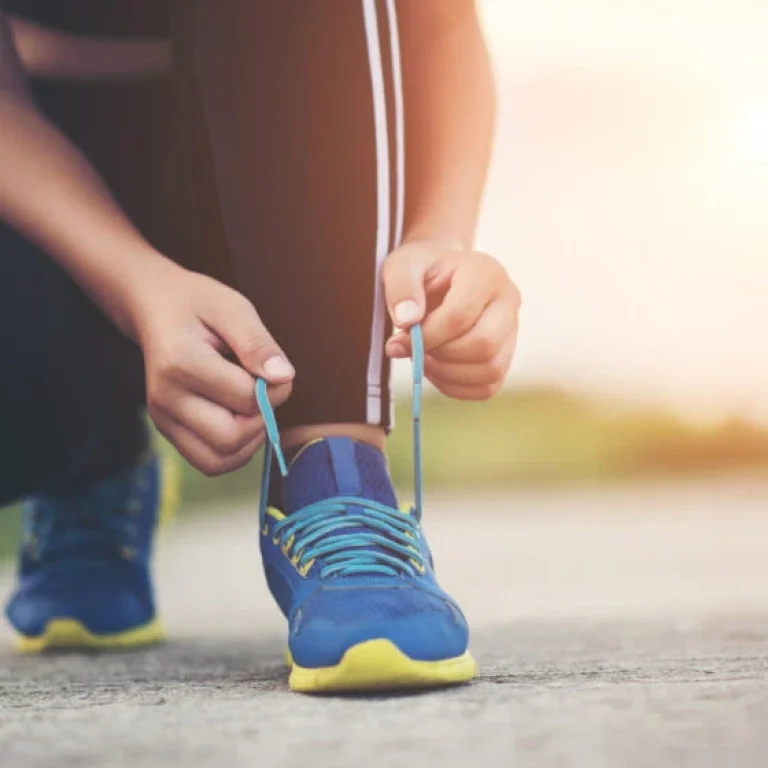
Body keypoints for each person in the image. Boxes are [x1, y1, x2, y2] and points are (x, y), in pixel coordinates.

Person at [0, 1, 520, 692]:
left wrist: (440, 239)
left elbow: (439, 23)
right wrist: (138, 285)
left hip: (276, 160)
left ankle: (333, 472)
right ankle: (90, 453)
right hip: (41, 175)